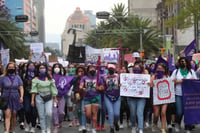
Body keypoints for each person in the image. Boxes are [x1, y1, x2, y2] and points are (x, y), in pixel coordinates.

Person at [171, 57, 197, 133]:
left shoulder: (191, 72)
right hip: (178, 94)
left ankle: (187, 127)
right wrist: (178, 81)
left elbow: (196, 82)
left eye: (184, 61)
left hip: (189, 95)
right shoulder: (175, 72)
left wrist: (192, 80)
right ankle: (177, 123)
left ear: (187, 63)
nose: (183, 63)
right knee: (179, 111)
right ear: (179, 63)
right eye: (181, 61)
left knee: (188, 112)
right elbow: (171, 82)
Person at [30, 63, 58, 133]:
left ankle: (48, 127)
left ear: (46, 69)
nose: (42, 69)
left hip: (48, 96)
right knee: (41, 115)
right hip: (39, 97)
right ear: (38, 70)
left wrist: (55, 98)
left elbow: (53, 89)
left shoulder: (50, 78)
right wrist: (32, 100)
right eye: (40, 68)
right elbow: (33, 90)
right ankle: (43, 129)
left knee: (49, 113)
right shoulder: (35, 79)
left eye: (43, 68)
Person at [0, 62, 24, 133]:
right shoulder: (2, 77)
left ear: (15, 68)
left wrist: (21, 96)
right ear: (7, 68)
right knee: (7, 115)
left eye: (12, 67)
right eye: (9, 67)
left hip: (15, 97)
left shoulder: (18, 77)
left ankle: (12, 130)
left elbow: (21, 87)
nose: (11, 68)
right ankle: (7, 130)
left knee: (14, 115)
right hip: (6, 97)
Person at [79, 65, 104, 133]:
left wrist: (99, 88)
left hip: (96, 97)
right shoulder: (84, 78)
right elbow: (80, 86)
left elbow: (102, 87)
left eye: (93, 68)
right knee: (88, 114)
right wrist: (83, 88)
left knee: (94, 113)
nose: (92, 69)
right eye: (90, 68)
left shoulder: (99, 78)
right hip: (87, 97)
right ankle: (88, 123)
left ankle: (93, 128)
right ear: (88, 69)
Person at [52, 63, 74, 132]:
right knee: (54, 112)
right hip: (53, 97)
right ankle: (56, 125)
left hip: (61, 97)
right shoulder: (51, 76)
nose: (57, 68)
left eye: (58, 67)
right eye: (55, 67)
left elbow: (68, 84)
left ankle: (60, 121)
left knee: (61, 112)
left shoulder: (64, 77)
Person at [128, 62, 149, 133]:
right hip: (131, 97)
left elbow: (148, 79)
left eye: (138, 68)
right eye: (135, 68)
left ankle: (140, 128)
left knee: (139, 112)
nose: (136, 69)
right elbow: (127, 81)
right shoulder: (131, 74)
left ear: (141, 68)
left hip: (141, 98)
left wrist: (145, 73)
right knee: (133, 113)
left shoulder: (144, 74)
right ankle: (134, 126)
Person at [150, 63, 169, 133]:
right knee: (156, 114)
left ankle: (163, 128)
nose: (159, 70)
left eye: (161, 68)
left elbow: (170, 85)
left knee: (163, 112)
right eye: (158, 68)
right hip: (156, 97)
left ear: (164, 69)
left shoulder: (167, 76)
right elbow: (150, 85)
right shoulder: (154, 76)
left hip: (165, 97)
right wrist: (152, 84)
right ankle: (155, 124)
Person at [103, 64, 120, 133]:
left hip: (117, 96)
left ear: (115, 69)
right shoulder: (104, 77)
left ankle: (115, 122)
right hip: (108, 96)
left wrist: (120, 85)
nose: (111, 70)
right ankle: (111, 127)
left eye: (112, 68)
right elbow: (103, 86)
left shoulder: (118, 76)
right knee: (110, 112)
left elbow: (123, 83)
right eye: (109, 68)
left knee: (116, 114)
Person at [24, 62, 37, 133]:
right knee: (27, 110)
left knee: (34, 111)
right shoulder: (24, 74)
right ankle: (28, 122)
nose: (31, 67)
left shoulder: (37, 75)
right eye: (30, 66)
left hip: (35, 94)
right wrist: (27, 81)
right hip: (27, 94)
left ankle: (33, 125)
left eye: (33, 65)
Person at [72, 66, 87, 132]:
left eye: (82, 71)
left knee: (83, 110)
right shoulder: (75, 78)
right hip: (77, 95)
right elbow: (72, 82)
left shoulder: (86, 78)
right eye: (79, 71)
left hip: (84, 95)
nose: (80, 72)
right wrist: (78, 76)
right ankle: (80, 124)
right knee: (78, 110)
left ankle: (83, 125)